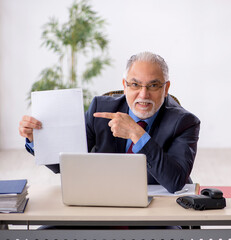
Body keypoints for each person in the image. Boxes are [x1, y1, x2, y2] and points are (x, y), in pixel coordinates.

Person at [19, 52, 201, 193]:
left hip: (156, 214)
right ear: (124, 85)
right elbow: (64, 163)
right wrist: (37, 139)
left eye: (153, 86)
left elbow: (176, 182)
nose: (143, 95)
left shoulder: (185, 122)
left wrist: (137, 135)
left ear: (166, 88)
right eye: (135, 85)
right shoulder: (100, 108)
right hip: (103, 204)